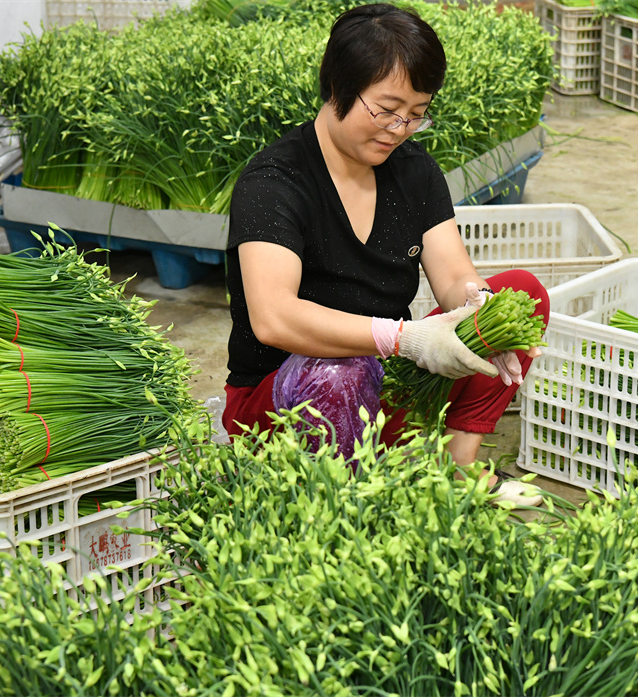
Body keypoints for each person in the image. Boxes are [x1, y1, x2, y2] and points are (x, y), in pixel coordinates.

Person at [222, 2, 549, 506]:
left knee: (519, 296)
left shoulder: (413, 171)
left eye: (416, 115)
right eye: (385, 109)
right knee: (340, 371)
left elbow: (454, 273)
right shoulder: (276, 182)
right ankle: (343, 503)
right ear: (337, 88)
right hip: (281, 406)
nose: (398, 129)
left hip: (382, 382)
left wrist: (481, 310)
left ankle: (457, 469)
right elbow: (273, 318)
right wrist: (407, 338)